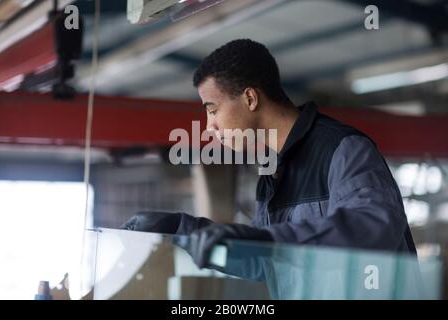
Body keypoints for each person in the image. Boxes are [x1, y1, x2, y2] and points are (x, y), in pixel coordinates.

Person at [122, 39, 417, 269]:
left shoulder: (342, 149)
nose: (210, 126)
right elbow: (262, 260)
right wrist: (182, 229)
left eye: (213, 109)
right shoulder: (271, 172)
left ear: (250, 98)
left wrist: (267, 240)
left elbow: (374, 229)